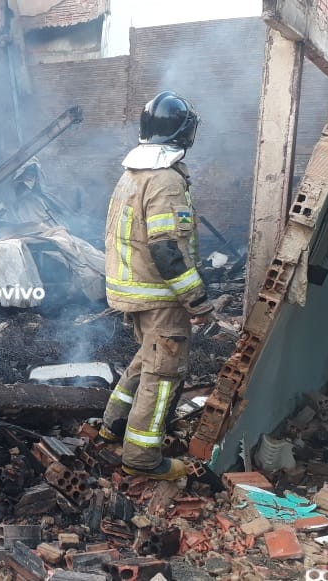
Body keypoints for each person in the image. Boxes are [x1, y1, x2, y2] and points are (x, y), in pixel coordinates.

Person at [98, 91, 213, 481]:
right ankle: (143, 458)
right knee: (163, 375)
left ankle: (113, 425)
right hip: (160, 294)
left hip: (134, 290)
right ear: (184, 132)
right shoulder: (165, 180)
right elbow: (167, 250)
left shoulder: (132, 174)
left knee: (146, 360)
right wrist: (198, 301)